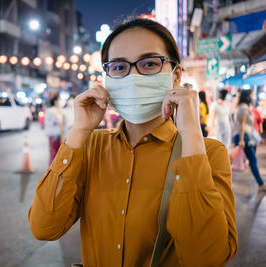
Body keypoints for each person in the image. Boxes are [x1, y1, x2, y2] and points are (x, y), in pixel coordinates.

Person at [29, 17, 237, 266]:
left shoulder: (209, 153)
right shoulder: (90, 146)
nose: (134, 76)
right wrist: (79, 130)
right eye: (119, 67)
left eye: (149, 64)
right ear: (106, 78)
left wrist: (191, 133)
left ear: (175, 76)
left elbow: (207, 257)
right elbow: (44, 227)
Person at [233, 89, 266, 193]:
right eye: (251, 95)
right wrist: (242, 139)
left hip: (244, 136)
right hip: (243, 136)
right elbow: (242, 124)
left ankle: (261, 183)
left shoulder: (242, 107)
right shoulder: (243, 107)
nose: (253, 97)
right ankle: (261, 183)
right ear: (247, 97)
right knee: (252, 160)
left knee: (251, 160)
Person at [44, 95, 66, 165]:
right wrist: (57, 122)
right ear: (55, 101)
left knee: (61, 153)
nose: (61, 102)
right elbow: (48, 122)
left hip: (62, 135)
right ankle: (52, 170)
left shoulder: (62, 110)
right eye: (59, 100)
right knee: (54, 153)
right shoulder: (50, 110)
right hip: (53, 135)